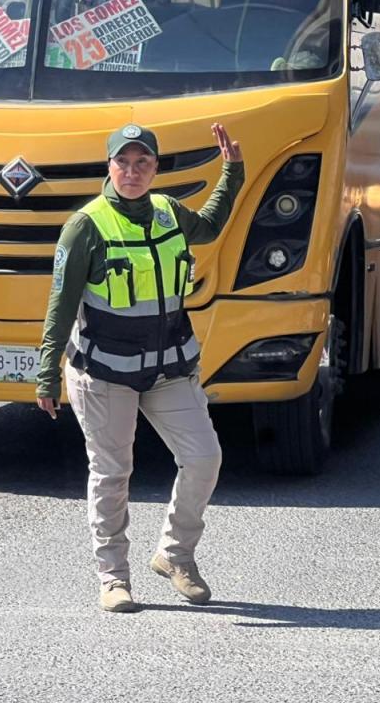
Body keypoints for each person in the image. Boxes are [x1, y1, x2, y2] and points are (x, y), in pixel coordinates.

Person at [36, 122, 245, 613]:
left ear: (155, 167)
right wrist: (47, 373)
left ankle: (175, 555)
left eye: (142, 163)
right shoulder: (85, 226)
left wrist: (232, 171)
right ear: (108, 167)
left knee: (204, 458)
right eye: (122, 163)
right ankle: (113, 578)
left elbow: (211, 225)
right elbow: (60, 304)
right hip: (104, 371)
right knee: (112, 473)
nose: (132, 172)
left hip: (168, 367)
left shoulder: (169, 211)